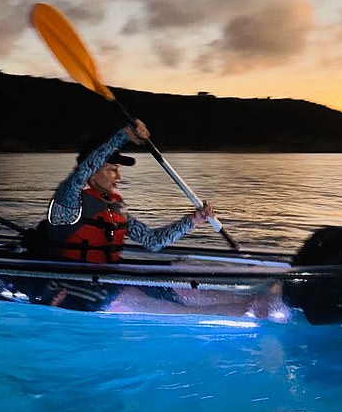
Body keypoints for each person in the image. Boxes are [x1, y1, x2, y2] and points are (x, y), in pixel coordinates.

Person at [38, 119, 214, 309]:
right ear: (94, 173)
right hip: (69, 284)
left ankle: (211, 308)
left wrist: (192, 220)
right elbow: (83, 171)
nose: (119, 177)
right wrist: (124, 136)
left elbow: (153, 242)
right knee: (134, 294)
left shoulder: (116, 208)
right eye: (112, 170)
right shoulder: (69, 201)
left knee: (159, 287)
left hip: (105, 279)